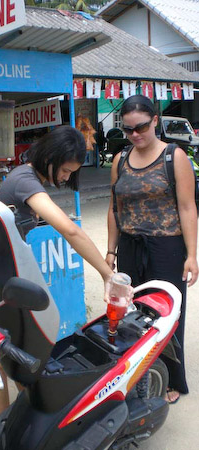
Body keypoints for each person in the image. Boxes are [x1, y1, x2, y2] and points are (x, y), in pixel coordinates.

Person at [0, 125, 114, 415]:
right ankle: (4, 425)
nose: (66, 177)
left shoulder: (29, 178)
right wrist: (106, 273)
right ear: (51, 158)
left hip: (5, 275)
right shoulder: (25, 180)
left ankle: (29, 409)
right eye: (66, 170)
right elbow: (70, 230)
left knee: (22, 346)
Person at [106, 94, 198, 404]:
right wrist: (111, 251)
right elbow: (114, 209)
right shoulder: (120, 160)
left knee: (167, 315)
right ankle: (140, 373)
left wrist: (191, 255)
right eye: (128, 130)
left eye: (141, 127)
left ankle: (172, 378)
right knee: (135, 313)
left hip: (166, 248)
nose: (135, 135)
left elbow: (187, 208)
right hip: (131, 247)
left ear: (155, 120)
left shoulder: (175, 157)